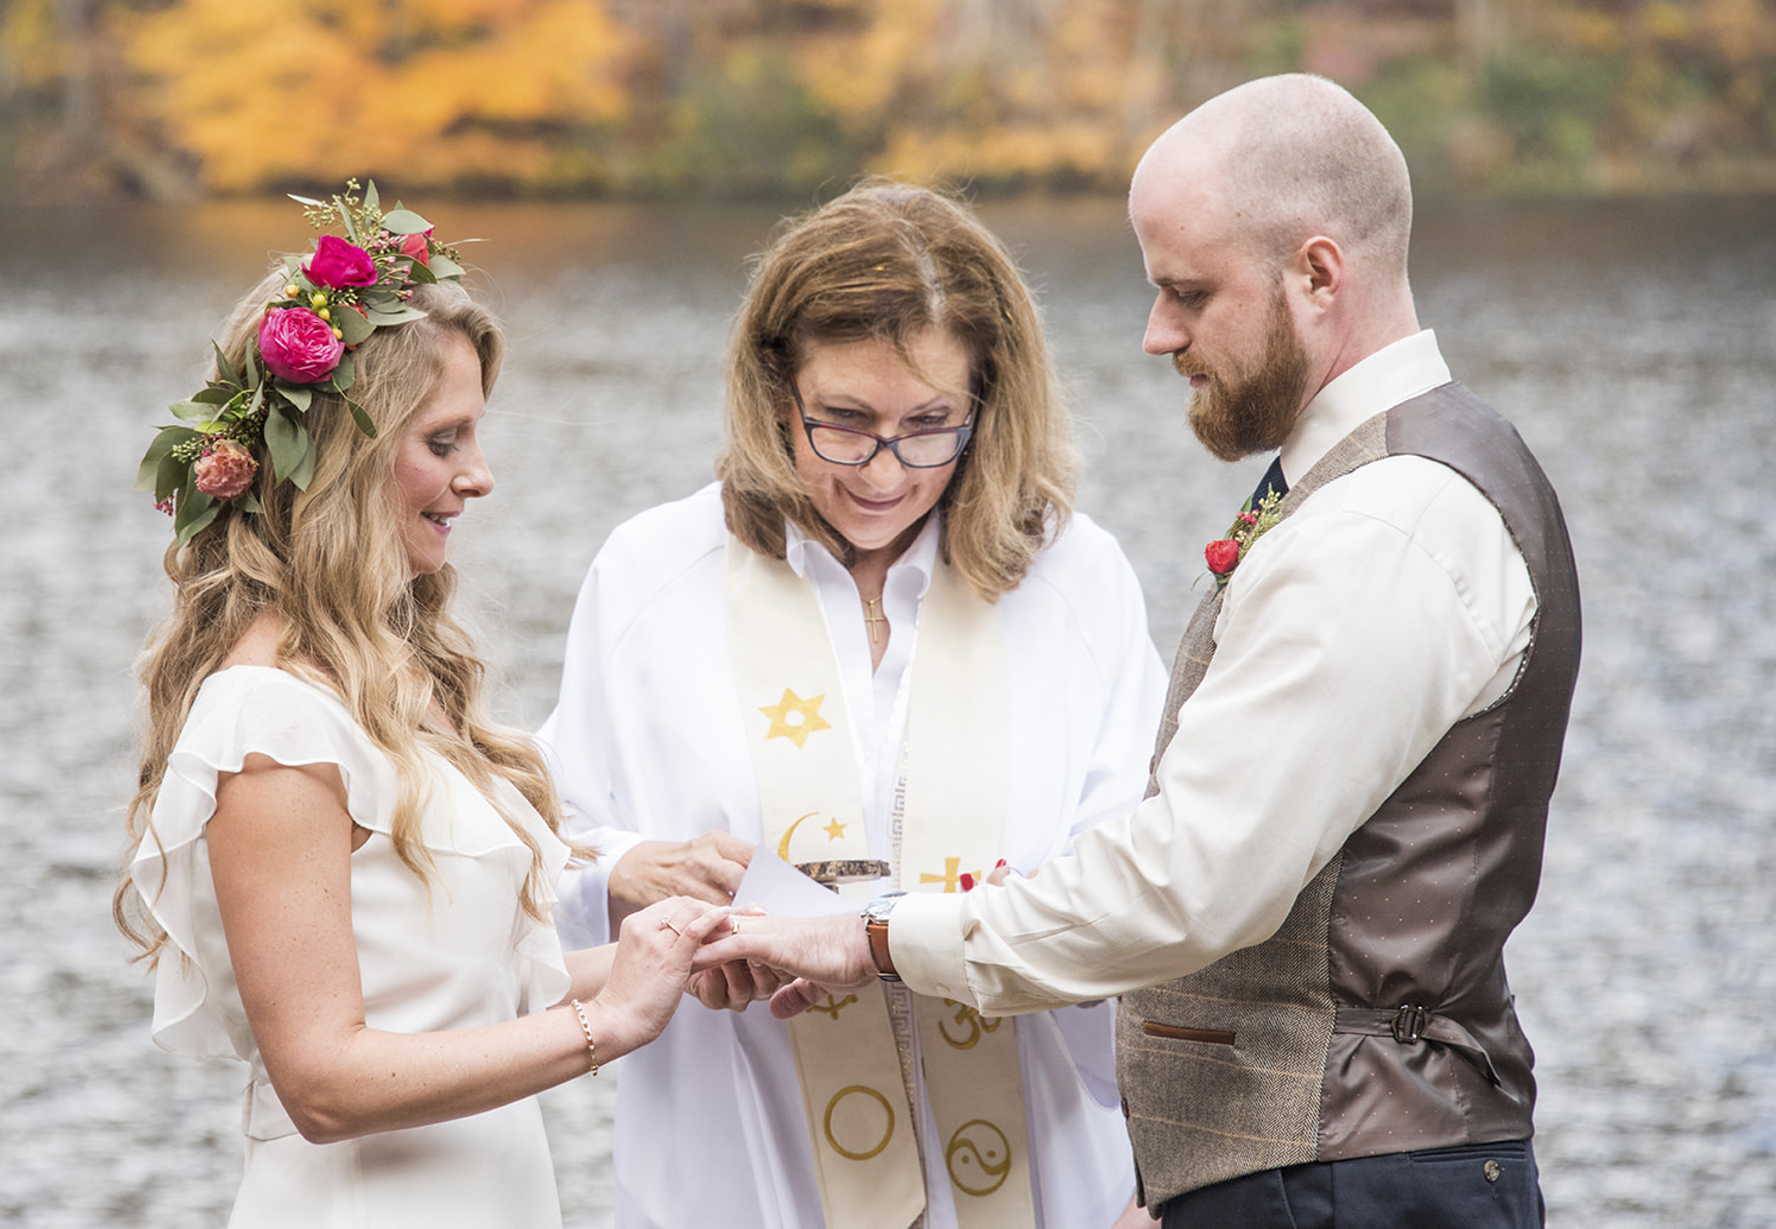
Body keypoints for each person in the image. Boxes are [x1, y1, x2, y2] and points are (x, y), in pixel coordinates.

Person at [703, 75, 1581, 1229]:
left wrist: (872, 935)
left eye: (1187, 292)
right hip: (1324, 1171)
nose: (1156, 332)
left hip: (1348, 1181)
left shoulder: (1385, 521)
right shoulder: (1392, 480)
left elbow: (1188, 881)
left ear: (1318, 274)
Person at [541, 180, 1170, 1229]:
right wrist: (623, 872)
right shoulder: (652, 574)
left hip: (1052, 1182)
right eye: (843, 421)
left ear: (989, 401)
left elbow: (1150, 889)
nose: (885, 471)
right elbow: (530, 856)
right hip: (744, 1171)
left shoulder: (1074, 579)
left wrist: (1158, 1185)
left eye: (931, 424)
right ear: (771, 386)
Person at [114, 186, 737, 1228]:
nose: (480, 477)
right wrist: (614, 1021)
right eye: (445, 442)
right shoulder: (267, 723)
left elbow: (467, 1001)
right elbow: (324, 1080)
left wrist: (673, 953)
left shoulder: (387, 688)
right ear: (349, 462)